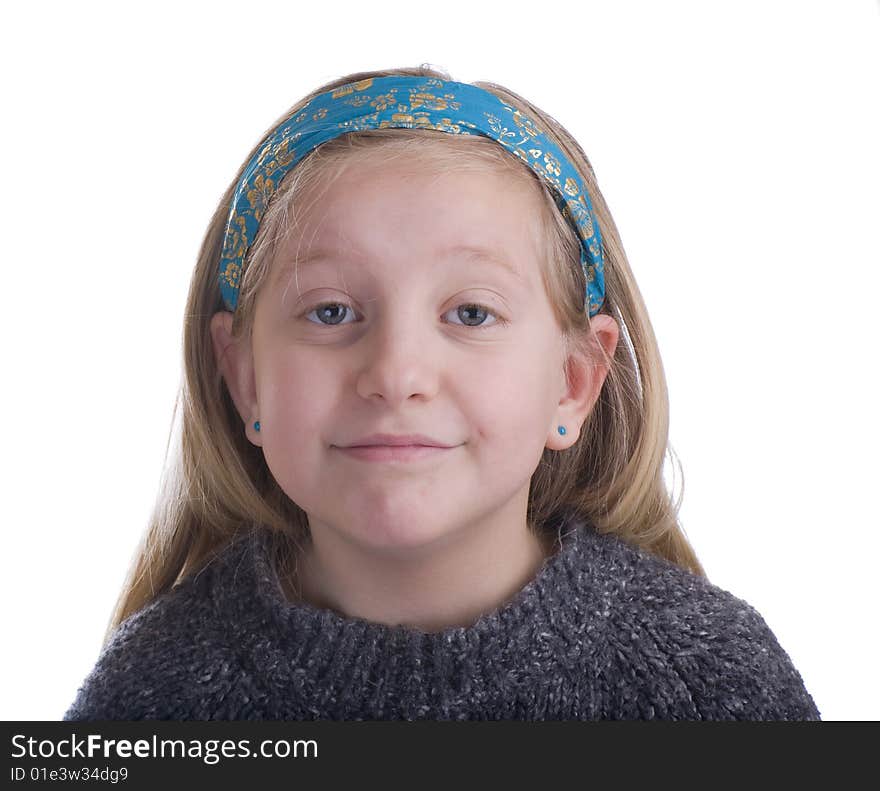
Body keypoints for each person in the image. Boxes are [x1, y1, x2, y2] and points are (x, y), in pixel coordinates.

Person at [63, 65, 820, 721]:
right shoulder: (151, 697)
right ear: (245, 376)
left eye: (470, 313)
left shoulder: (711, 684)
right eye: (331, 311)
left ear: (574, 383)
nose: (396, 373)